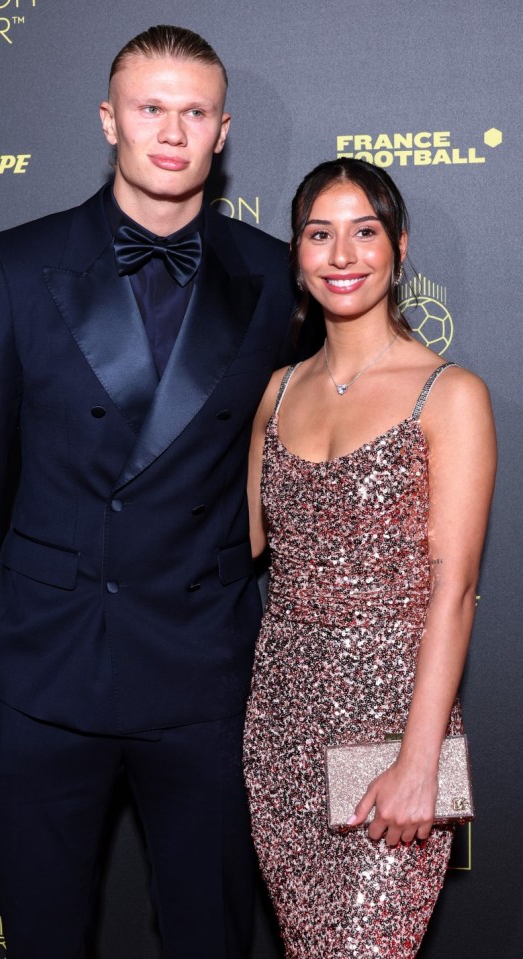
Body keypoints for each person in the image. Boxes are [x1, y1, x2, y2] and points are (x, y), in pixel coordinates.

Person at [0, 25, 294, 959]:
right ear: (109, 121)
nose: (172, 131)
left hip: (205, 670)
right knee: (44, 936)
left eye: (194, 111)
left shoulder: (277, 273)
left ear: (222, 131)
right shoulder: (14, 265)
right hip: (45, 671)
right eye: (150, 108)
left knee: (211, 935)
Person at [243, 157, 496, 957]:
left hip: (392, 724)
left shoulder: (449, 393)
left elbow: (453, 593)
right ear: (297, 253)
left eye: (365, 232)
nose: (342, 255)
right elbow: (237, 541)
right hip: (280, 723)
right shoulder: (275, 390)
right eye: (321, 234)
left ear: (399, 248)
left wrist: (419, 762)